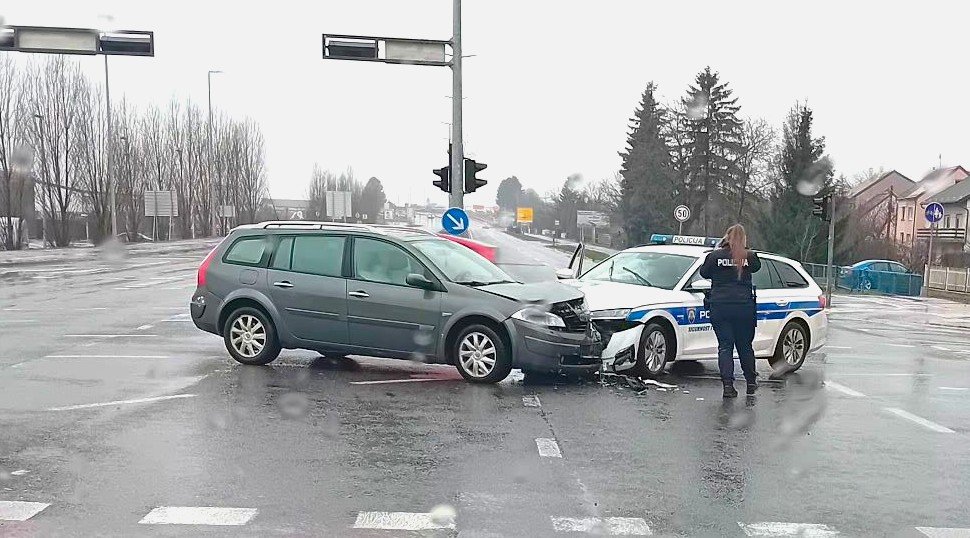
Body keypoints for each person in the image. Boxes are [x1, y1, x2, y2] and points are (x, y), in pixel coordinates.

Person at [699, 224, 762, 398]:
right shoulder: (749, 256)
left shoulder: (715, 256)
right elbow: (757, 267)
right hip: (744, 307)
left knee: (725, 347)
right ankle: (750, 383)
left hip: (720, 307)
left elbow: (704, 273)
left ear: (726, 237)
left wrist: (719, 248)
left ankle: (728, 386)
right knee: (745, 346)